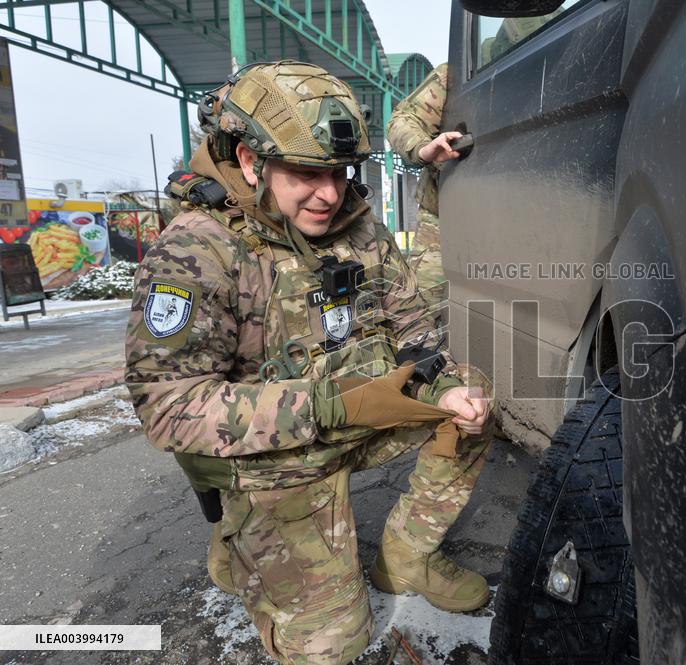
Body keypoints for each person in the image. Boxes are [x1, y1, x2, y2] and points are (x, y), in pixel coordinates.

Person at [124, 61, 493, 665]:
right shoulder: (197, 249)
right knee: (332, 649)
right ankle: (240, 539)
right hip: (272, 458)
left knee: (471, 399)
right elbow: (168, 406)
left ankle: (406, 557)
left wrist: (445, 384)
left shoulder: (354, 223)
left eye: (340, 173)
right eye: (306, 173)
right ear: (249, 160)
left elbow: (414, 330)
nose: (329, 193)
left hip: (350, 416)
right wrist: (332, 404)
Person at [386, 63, 460, 305]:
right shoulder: (455, 74)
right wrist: (423, 149)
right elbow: (401, 121)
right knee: (423, 309)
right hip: (442, 218)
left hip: (517, 220)